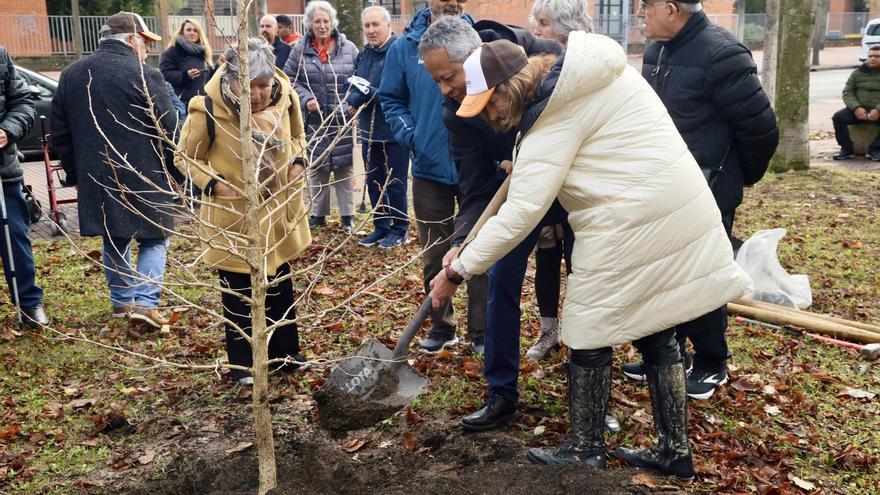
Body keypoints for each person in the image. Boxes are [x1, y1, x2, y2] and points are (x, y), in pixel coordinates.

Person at [429, 35, 751, 480]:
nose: (490, 116)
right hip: (677, 205)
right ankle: (674, 451)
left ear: (506, 90)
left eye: (489, 105)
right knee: (656, 327)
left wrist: (458, 269)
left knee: (585, 329)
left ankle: (585, 449)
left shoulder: (554, 118)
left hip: (629, 221)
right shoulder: (588, 78)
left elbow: (521, 213)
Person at [419, 16, 577, 431]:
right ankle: (501, 393)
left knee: (585, 283)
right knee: (501, 278)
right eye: (436, 80)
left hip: (571, 186)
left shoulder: (542, 57)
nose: (445, 89)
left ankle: (589, 394)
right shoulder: (457, 110)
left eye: (448, 76)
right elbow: (473, 185)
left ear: (473, 60)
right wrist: (462, 242)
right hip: (509, 197)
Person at [625, 0, 779, 400]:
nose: (640, 13)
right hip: (663, 187)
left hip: (708, 189)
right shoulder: (657, 51)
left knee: (702, 276)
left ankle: (711, 362)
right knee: (661, 273)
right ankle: (664, 352)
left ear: (672, 8)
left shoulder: (722, 55)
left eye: (646, 5)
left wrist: (735, 178)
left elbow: (761, 129)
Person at [175, 38, 313, 386]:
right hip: (234, 218)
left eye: (263, 85)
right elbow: (185, 157)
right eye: (247, 85)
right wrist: (213, 184)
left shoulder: (288, 98)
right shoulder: (205, 109)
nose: (256, 94)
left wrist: (297, 160)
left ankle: (286, 355)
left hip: (278, 214)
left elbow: (299, 138)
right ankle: (244, 365)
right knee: (239, 292)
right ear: (230, 79)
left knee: (280, 284)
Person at [51, 12, 180, 328]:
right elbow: (169, 127)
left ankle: (122, 304)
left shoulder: (71, 74)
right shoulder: (145, 74)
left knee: (115, 237)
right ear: (132, 40)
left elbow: (60, 133)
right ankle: (146, 305)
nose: (148, 50)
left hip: (96, 175)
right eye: (146, 43)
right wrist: (177, 172)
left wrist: (77, 172)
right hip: (144, 172)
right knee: (155, 237)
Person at [379, 0, 488, 354]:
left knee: (478, 251)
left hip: (476, 165)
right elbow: (391, 98)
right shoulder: (404, 47)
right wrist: (414, 137)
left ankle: (481, 332)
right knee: (434, 251)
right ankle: (442, 327)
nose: (449, 2)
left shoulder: (477, 37)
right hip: (429, 167)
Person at [524, 0, 593, 361]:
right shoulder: (542, 60)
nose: (537, 30)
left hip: (583, 183)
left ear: (567, 25)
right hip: (551, 183)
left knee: (582, 262)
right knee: (548, 254)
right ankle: (549, 332)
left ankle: (583, 341)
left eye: (544, 23)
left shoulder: (590, 62)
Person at [284, 1, 359, 232]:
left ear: (332, 22)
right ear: (310, 24)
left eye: (326, 21)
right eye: (317, 21)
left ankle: (348, 216)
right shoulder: (300, 48)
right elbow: (289, 78)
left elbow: (359, 79)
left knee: (344, 168)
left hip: (342, 119)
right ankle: (318, 215)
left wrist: (351, 103)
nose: (322, 25)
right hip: (315, 121)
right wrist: (306, 99)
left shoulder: (349, 48)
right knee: (317, 168)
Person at [346, 6, 409, 249]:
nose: (371, 30)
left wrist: (372, 94)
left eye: (375, 25)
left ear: (387, 25)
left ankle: (399, 228)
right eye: (367, 26)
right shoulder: (365, 54)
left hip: (394, 131)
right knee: (374, 180)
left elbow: (401, 91)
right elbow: (355, 82)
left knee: (395, 182)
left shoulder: (399, 51)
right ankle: (381, 226)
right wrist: (352, 97)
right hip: (369, 130)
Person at [0, 46, 48, 328]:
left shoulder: (1, 56)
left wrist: (7, 131)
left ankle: (29, 304)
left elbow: (23, 104)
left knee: (15, 236)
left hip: (3, 171)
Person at [832, 44, 880, 161]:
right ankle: (846, 149)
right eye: (870, 56)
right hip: (859, 109)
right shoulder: (858, 73)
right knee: (838, 117)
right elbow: (847, 92)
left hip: (878, 110)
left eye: (877, 56)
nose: (872, 58)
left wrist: (878, 110)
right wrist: (856, 108)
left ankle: (876, 149)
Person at [160, 18, 214, 107]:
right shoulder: (171, 52)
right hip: (182, 104)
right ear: (182, 32)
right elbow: (164, 75)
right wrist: (185, 75)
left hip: (203, 104)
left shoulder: (204, 52)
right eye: (188, 30)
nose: (192, 33)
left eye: (195, 31)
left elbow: (209, 78)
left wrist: (218, 66)